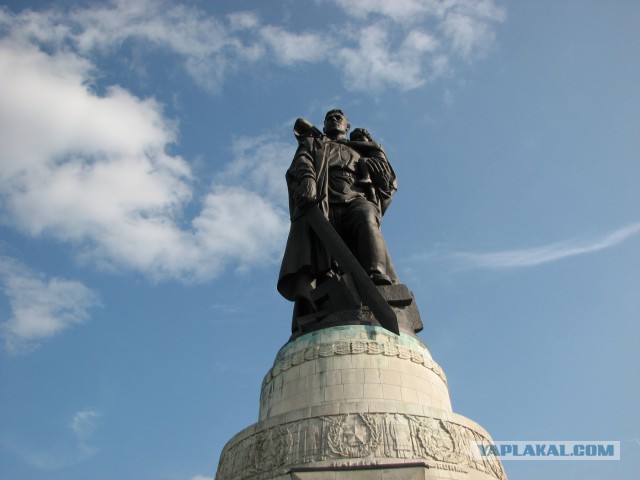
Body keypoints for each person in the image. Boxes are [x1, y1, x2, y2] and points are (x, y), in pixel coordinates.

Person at [277, 109, 398, 320]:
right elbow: (302, 161)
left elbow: (386, 180)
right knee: (322, 251)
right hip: (323, 200)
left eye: (338, 118)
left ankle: (376, 275)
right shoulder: (314, 143)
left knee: (366, 216)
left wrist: (375, 151)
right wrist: (308, 180)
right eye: (329, 119)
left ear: (347, 126)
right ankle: (326, 291)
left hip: (355, 195)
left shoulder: (360, 150)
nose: (333, 120)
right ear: (324, 126)